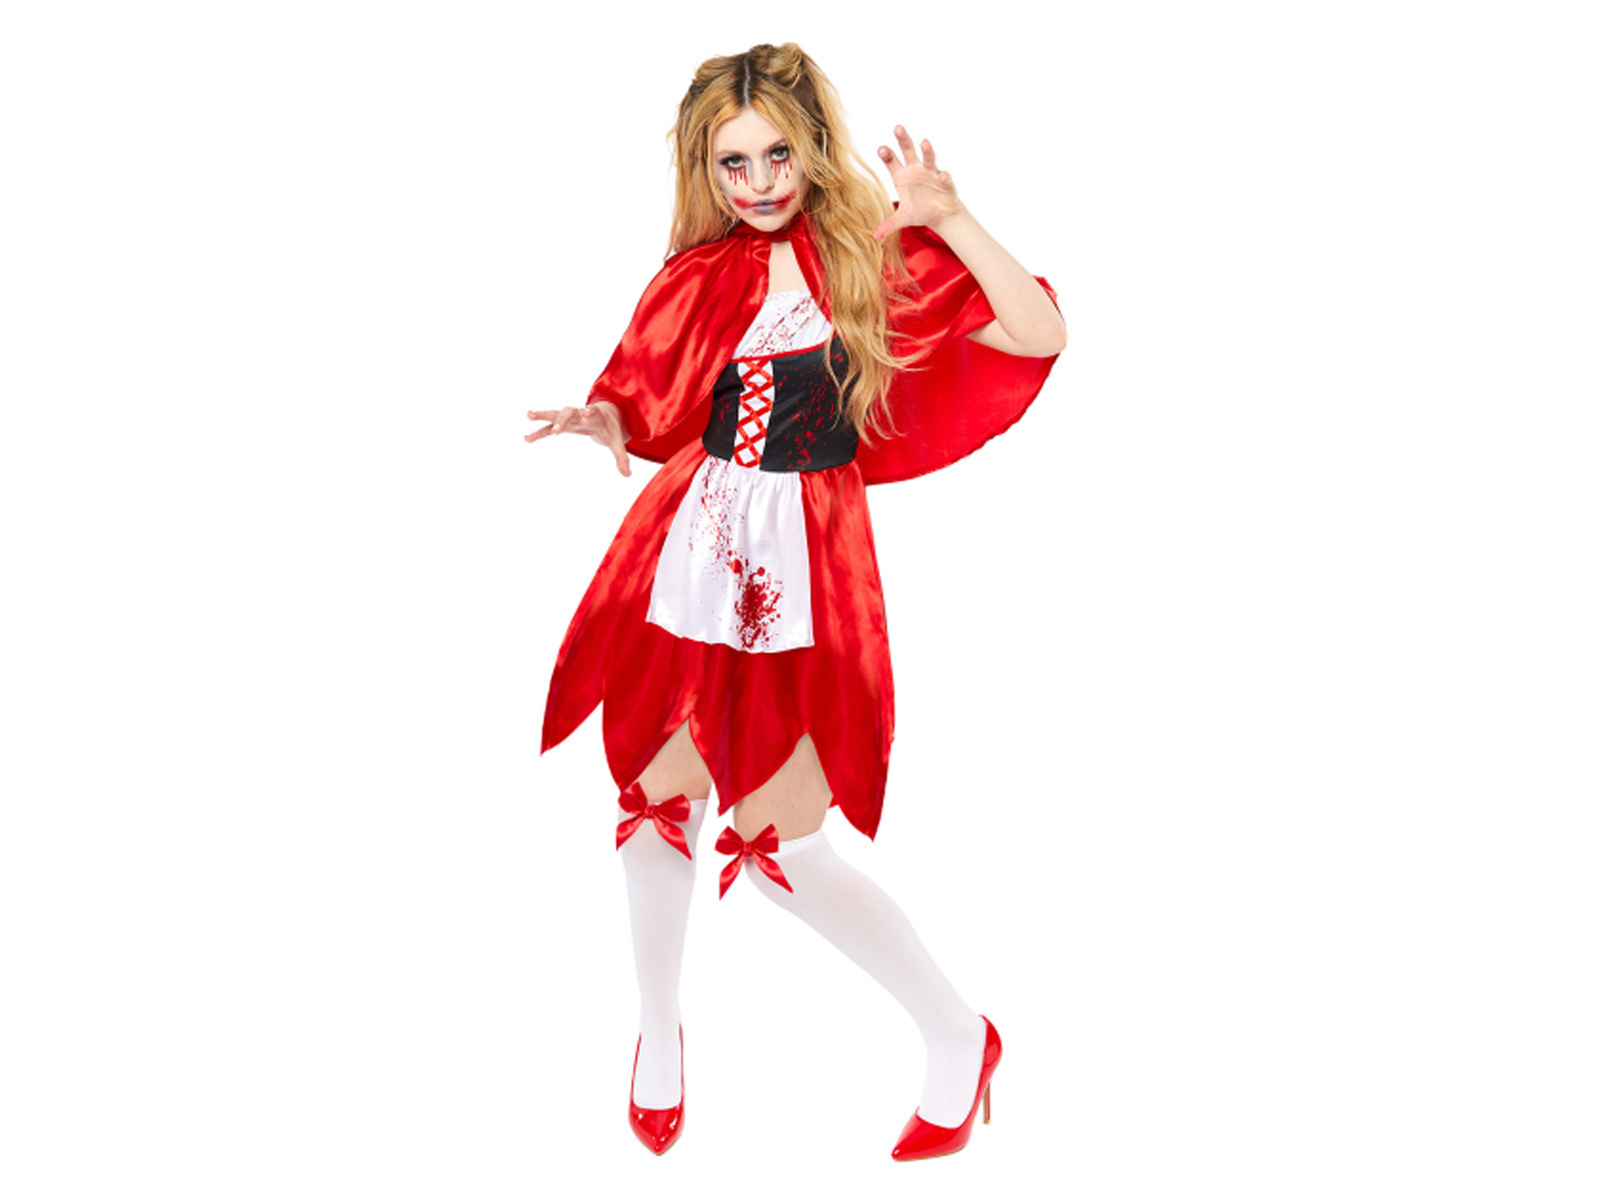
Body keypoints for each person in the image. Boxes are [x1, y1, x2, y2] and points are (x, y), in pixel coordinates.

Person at [527, 43, 1064, 1160]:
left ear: (813, 146)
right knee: (654, 801)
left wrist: (951, 219)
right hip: (693, 542)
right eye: (735, 163)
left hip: (803, 561)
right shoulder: (697, 274)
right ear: (705, 169)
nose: (761, 181)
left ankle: (958, 1034)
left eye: (778, 154)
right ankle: (658, 1031)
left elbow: (1037, 334)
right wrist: (603, 421)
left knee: (780, 846)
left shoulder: (870, 255)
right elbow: (647, 400)